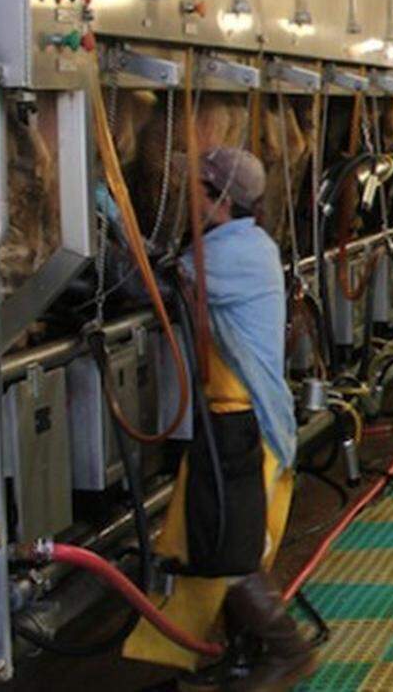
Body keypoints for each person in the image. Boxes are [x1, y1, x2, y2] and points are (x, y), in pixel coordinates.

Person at [121, 148, 315, 691]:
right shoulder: (235, 245)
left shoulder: (234, 253)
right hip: (227, 419)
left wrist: (114, 229)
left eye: (197, 192)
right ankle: (242, 659)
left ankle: (288, 651)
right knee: (216, 540)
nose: (188, 200)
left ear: (222, 202)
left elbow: (155, 291)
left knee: (229, 548)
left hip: (243, 424)